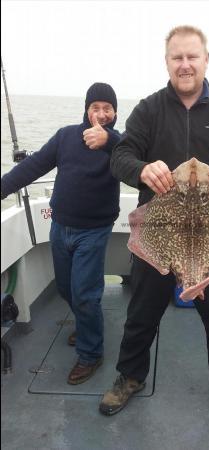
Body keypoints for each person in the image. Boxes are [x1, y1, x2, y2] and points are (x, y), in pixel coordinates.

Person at [99, 26, 209, 434]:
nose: (185, 64)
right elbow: (120, 155)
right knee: (141, 313)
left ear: (206, 60)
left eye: (192, 56)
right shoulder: (150, 109)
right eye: (177, 58)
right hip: (158, 233)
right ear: (168, 62)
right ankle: (131, 376)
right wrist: (141, 169)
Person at [1, 82, 121, 384]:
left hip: (94, 231)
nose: (102, 114)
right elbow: (33, 166)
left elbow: (138, 160)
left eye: (108, 108)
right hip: (60, 226)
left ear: (116, 113)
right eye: (96, 107)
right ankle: (86, 324)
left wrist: (108, 141)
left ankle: (91, 353)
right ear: (86, 109)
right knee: (67, 289)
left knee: (84, 293)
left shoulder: (121, 144)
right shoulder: (67, 136)